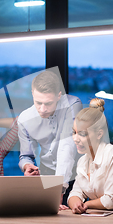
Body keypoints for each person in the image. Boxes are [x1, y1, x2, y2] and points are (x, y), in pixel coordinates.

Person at [18, 70, 82, 207]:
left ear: (59, 95)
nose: (42, 109)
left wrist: (59, 189)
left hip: (74, 176)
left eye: (48, 103)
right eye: (38, 102)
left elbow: (67, 147)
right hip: (45, 174)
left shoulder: (72, 104)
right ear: (32, 94)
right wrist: (27, 166)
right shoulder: (24, 119)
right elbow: (25, 155)